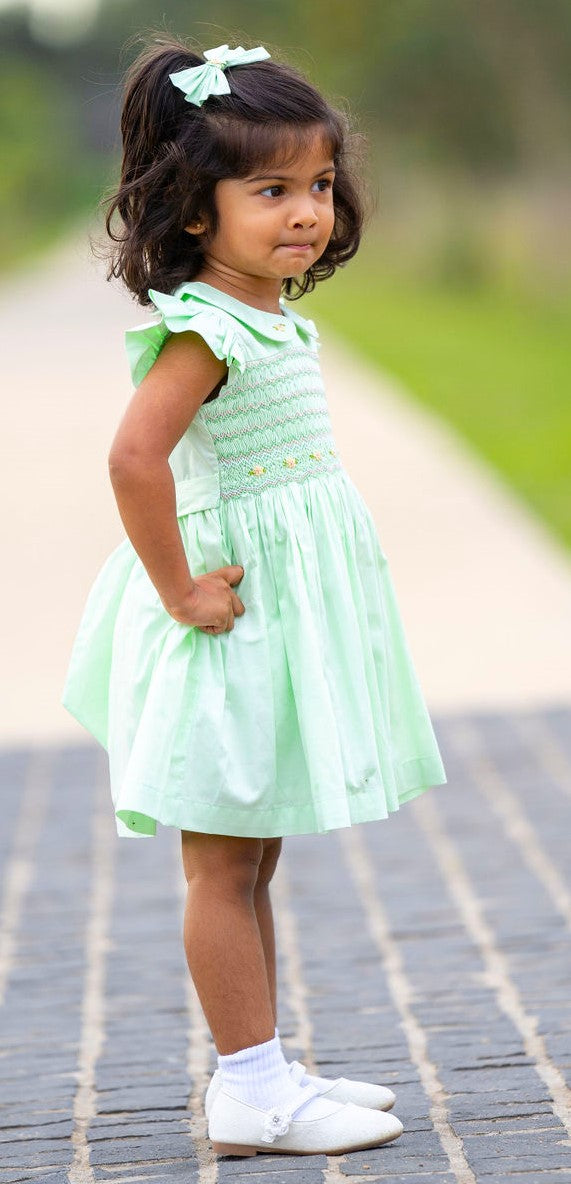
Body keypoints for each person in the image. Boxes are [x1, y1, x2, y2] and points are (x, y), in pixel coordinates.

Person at [62, 34, 447, 1157]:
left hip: (266, 619)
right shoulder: (207, 327)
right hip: (224, 617)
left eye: (318, 184)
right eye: (269, 189)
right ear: (194, 209)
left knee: (253, 848)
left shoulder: (273, 314)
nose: (305, 212)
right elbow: (135, 460)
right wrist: (180, 590)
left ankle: (264, 1062)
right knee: (222, 859)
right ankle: (247, 1086)